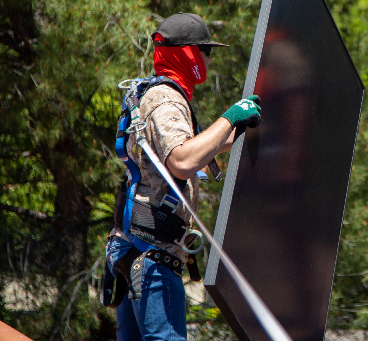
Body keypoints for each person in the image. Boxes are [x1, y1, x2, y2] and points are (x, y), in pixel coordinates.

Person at [104, 13, 262, 339]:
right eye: (207, 50)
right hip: (152, 258)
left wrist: (239, 130)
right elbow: (181, 160)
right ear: (190, 52)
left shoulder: (154, 92)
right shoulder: (166, 98)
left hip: (135, 251)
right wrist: (232, 115)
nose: (209, 59)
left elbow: (194, 153)